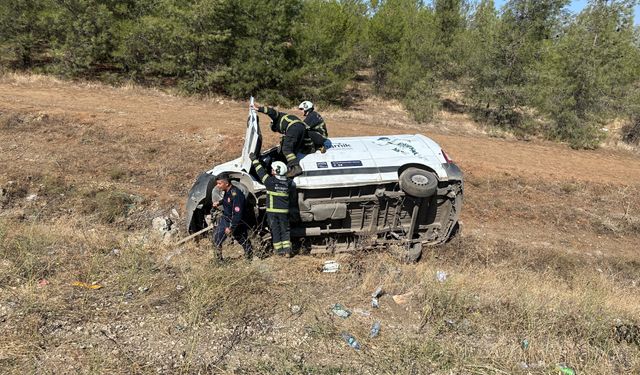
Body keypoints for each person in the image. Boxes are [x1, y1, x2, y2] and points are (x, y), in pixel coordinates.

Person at [250, 153, 293, 258]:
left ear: (276, 171)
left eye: (272, 169)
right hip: (284, 212)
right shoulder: (288, 183)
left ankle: (279, 251)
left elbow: (261, 172)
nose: (271, 170)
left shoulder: (270, 182)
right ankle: (287, 251)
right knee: (285, 230)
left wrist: (254, 160)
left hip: (273, 212)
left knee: (275, 230)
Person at [253, 103, 312, 178]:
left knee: (286, 149)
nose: (277, 131)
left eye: (275, 129)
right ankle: (289, 168)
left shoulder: (277, 117)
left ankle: (296, 167)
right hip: (301, 128)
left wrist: (259, 109)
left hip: (294, 127)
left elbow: (271, 111)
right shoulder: (286, 118)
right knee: (292, 150)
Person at [211, 173, 253, 261]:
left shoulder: (237, 194)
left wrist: (231, 227)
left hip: (234, 221)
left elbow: (237, 214)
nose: (217, 186)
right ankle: (218, 260)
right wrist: (219, 202)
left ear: (226, 183)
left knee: (242, 239)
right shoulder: (227, 191)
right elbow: (228, 200)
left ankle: (249, 257)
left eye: (219, 183)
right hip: (225, 219)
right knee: (216, 238)